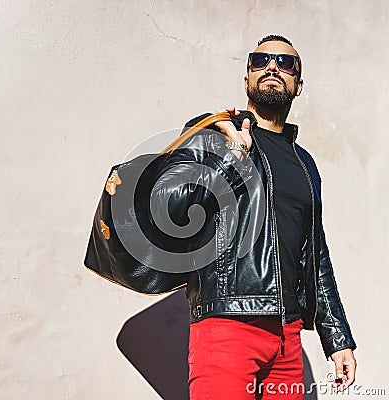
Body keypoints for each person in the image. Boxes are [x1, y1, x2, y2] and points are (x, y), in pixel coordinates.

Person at [151, 34, 357, 399]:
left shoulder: (304, 163)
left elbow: (316, 254)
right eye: (260, 61)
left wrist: (336, 336)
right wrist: (231, 158)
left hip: (287, 335)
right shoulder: (216, 132)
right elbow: (171, 205)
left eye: (285, 62)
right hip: (227, 323)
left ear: (298, 84)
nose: (273, 66)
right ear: (246, 78)